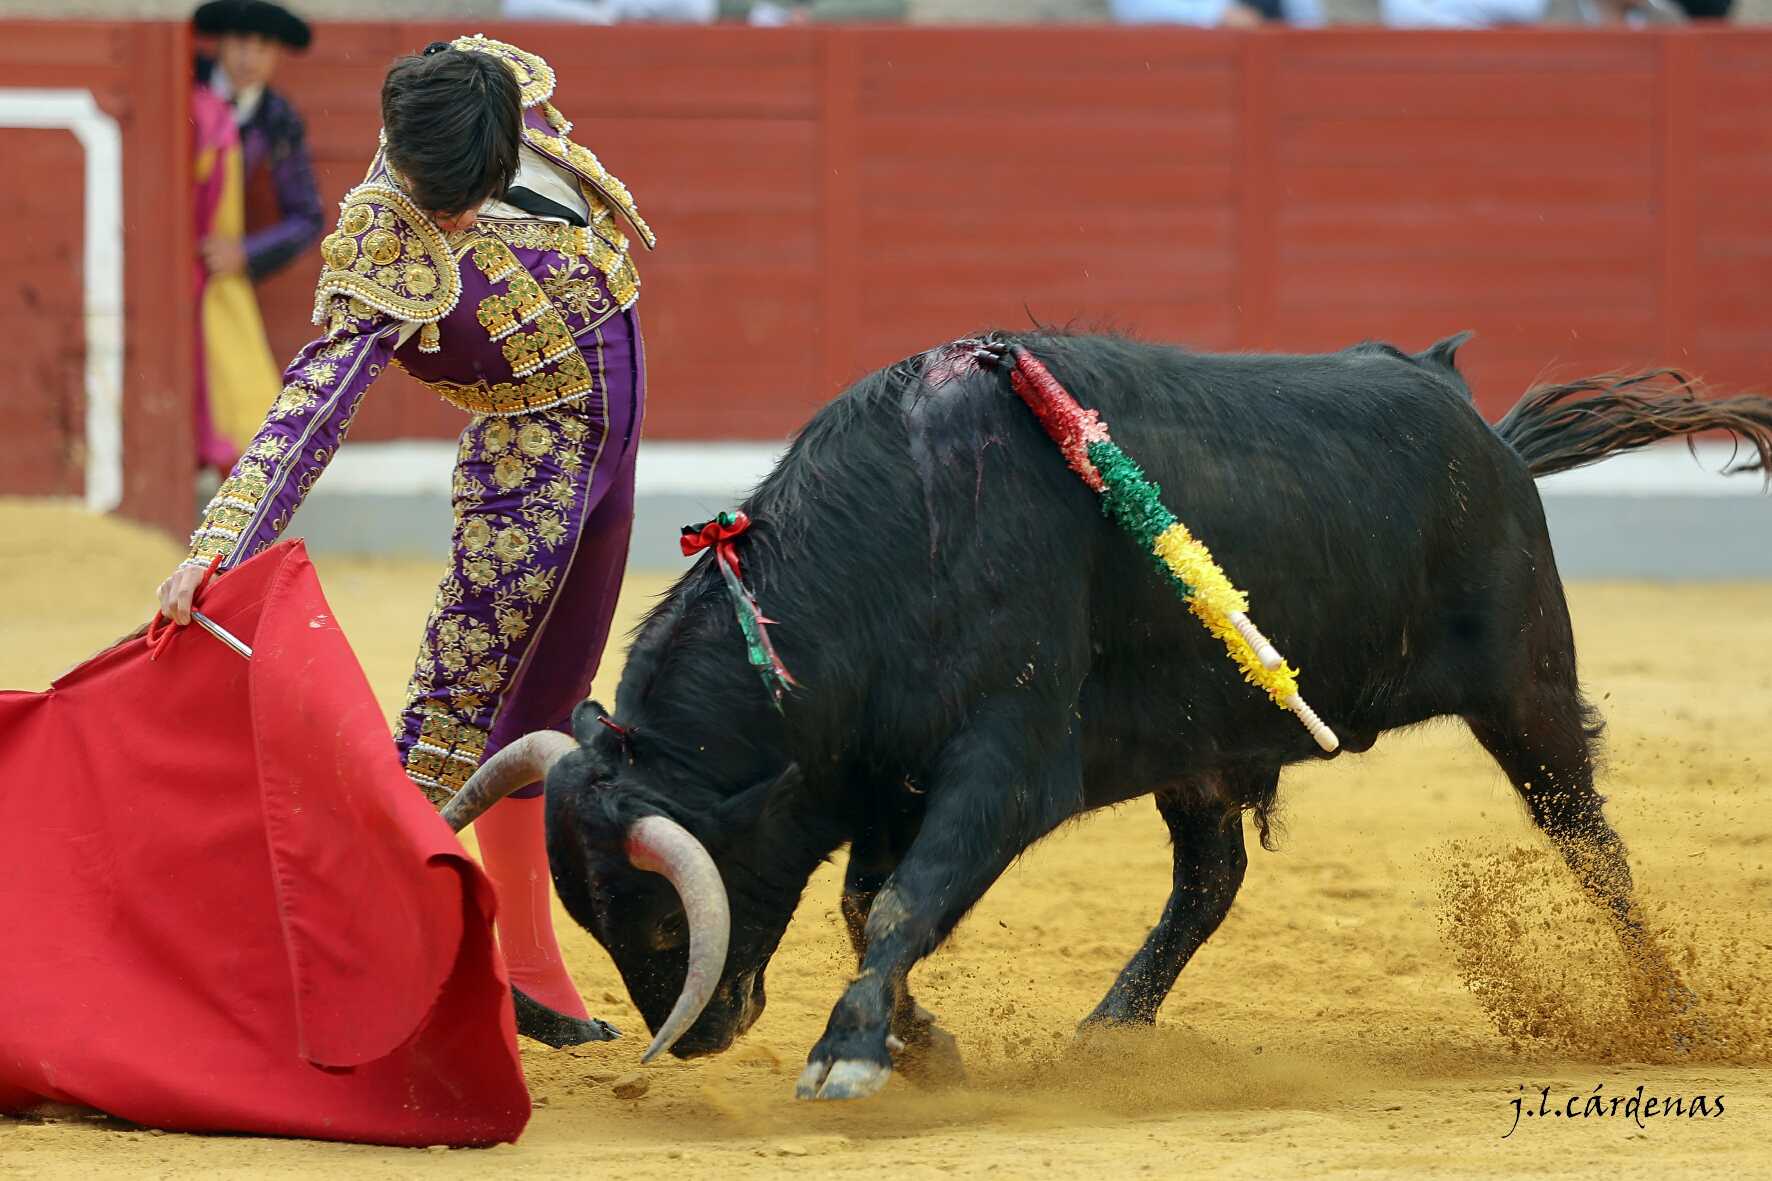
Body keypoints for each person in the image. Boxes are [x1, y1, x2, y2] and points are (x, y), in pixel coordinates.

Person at [158, 35, 656, 1047]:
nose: (454, 217)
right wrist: (220, 545)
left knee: (548, 704)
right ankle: (321, 961)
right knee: (450, 724)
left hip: (613, 451)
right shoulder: (383, 238)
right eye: (440, 198)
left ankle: (530, 970)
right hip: (528, 473)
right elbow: (314, 401)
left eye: (468, 194)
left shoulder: (494, 91)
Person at [192, 0, 324, 284]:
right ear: (221, 42)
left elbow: (307, 217)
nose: (250, 60)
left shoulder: (279, 118)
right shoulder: (185, 80)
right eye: (241, 42)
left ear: (277, 53)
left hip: (215, 259)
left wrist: (246, 253)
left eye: (263, 47)